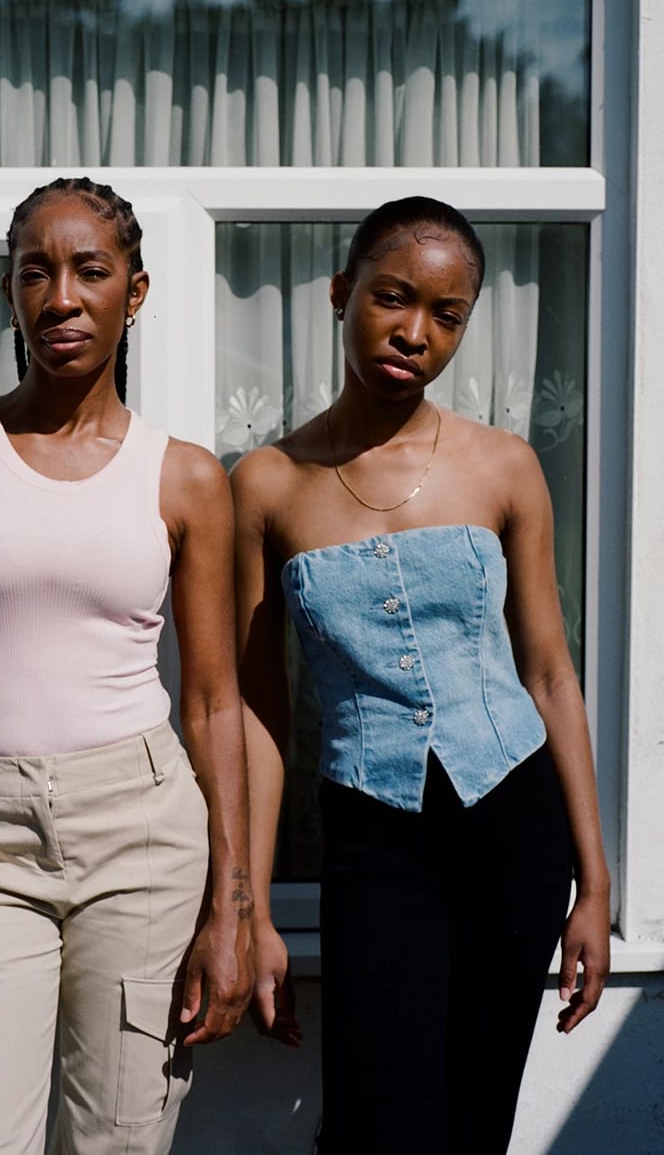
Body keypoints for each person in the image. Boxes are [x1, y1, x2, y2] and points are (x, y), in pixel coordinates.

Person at [0, 176, 253, 1155]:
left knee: (120, 1142)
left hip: (143, 833)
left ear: (138, 290)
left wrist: (235, 906)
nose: (62, 297)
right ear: (9, 291)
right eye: (36, 271)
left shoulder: (186, 477)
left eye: (90, 270)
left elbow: (212, 701)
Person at [231, 197, 610, 1153]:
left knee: (476, 1119)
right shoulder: (267, 484)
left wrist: (596, 888)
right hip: (372, 837)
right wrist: (251, 904)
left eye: (447, 314)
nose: (415, 332)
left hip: (516, 828)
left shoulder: (504, 465)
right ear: (339, 292)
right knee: (372, 1123)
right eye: (392, 297)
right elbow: (258, 712)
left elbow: (552, 674)